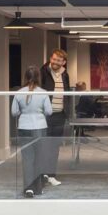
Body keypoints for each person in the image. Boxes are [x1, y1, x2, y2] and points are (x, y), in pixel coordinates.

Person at [11, 66, 52, 198]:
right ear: (39, 77)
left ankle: (28, 189)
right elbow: (49, 111)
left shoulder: (19, 93)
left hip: (24, 127)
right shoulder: (43, 92)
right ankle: (38, 188)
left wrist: (24, 111)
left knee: (27, 159)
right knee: (39, 158)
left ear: (25, 77)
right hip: (40, 127)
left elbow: (14, 112)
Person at [39, 49, 71, 186]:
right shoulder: (43, 72)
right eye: (53, 59)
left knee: (54, 147)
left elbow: (67, 93)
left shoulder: (65, 74)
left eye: (58, 60)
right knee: (43, 146)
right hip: (45, 115)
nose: (55, 62)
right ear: (50, 59)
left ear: (63, 62)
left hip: (59, 115)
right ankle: (41, 175)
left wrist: (67, 112)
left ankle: (51, 174)